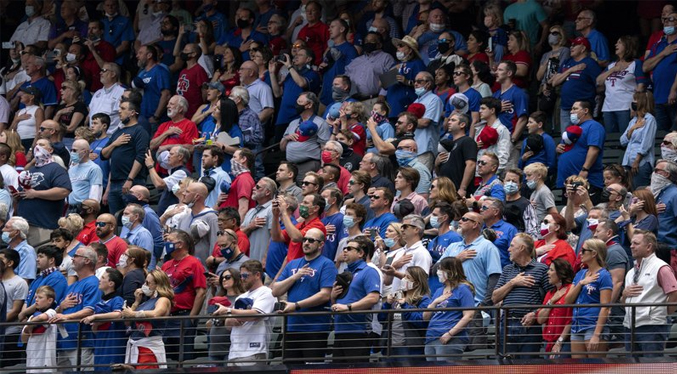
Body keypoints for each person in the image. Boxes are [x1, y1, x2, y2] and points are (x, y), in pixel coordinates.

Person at [272, 228, 337, 363]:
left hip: (314, 328)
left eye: (311, 240)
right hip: (292, 327)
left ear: (321, 244)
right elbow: (275, 291)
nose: (306, 243)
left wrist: (296, 306)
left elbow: (325, 295)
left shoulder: (327, 264)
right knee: (290, 368)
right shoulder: (293, 264)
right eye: (304, 239)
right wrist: (295, 277)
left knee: (311, 370)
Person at [438, 212, 502, 349]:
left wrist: (484, 305)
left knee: (473, 355)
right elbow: (435, 270)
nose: (459, 221)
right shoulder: (453, 247)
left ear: (475, 224)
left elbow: (495, 278)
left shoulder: (487, 247)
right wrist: (456, 260)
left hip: (474, 308)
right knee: (448, 352)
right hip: (449, 306)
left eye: (465, 219)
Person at [492, 233, 552, 358]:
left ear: (521, 248)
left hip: (529, 325)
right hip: (507, 323)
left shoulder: (541, 269)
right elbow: (494, 297)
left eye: (512, 246)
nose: (508, 249)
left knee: (528, 364)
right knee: (506, 365)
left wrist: (535, 314)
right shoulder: (508, 269)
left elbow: (552, 297)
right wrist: (513, 282)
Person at [622, 230, 677, 357]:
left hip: (651, 326)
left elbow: (674, 293)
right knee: (632, 368)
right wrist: (624, 294)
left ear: (649, 247)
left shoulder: (661, 267)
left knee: (652, 366)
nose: (631, 246)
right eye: (631, 243)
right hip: (629, 326)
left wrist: (664, 312)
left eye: (636, 243)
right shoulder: (631, 272)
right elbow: (623, 302)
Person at [214, 259, 276, 366]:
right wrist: (231, 318)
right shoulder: (241, 297)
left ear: (257, 275)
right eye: (241, 276)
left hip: (254, 351)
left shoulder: (267, 292)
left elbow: (256, 315)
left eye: (245, 276)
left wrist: (229, 310)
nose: (242, 279)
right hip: (234, 352)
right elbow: (228, 325)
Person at [330, 236, 381, 363]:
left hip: (358, 331)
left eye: (349, 249)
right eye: (344, 248)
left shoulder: (369, 271)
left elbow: (373, 298)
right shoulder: (345, 272)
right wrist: (332, 297)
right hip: (340, 331)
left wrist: (348, 307)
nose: (345, 251)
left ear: (360, 253)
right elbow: (338, 303)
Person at [49, 246, 101, 369]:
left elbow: (90, 310)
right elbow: (58, 310)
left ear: (87, 260)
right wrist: (61, 307)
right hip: (65, 341)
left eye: (76, 256)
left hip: (81, 341)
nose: (72, 258)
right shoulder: (72, 285)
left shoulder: (93, 282)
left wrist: (66, 316)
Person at [160, 230, 207, 361]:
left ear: (180, 244)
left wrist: (192, 317)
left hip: (184, 315)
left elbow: (201, 292)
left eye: (169, 240)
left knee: (184, 357)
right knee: (168, 357)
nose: (166, 243)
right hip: (167, 316)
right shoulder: (166, 265)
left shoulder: (194, 263)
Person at [14, 141, 71, 246]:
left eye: (41, 145)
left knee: (40, 258)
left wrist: (36, 194)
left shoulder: (56, 169)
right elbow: (26, 191)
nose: (37, 147)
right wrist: (19, 195)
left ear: (50, 150)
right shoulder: (31, 169)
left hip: (43, 226)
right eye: (36, 145)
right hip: (23, 225)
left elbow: (64, 190)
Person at [100, 99, 150, 215]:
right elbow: (103, 155)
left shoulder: (140, 131)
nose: (119, 111)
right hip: (114, 183)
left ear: (132, 113)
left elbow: (140, 156)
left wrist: (130, 179)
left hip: (132, 182)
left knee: (133, 217)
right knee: (115, 219)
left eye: (123, 108)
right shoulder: (117, 133)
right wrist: (114, 143)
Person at [564, 239, 612, 358]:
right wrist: (581, 284)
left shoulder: (604, 275)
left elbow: (605, 307)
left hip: (593, 326)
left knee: (595, 367)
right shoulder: (580, 274)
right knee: (579, 367)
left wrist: (596, 334)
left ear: (594, 253)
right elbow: (568, 300)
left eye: (584, 250)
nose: (580, 253)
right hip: (577, 325)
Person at [423, 257, 475, 360]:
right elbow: (425, 317)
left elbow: (469, 316)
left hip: (449, 338)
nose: (438, 272)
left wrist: (450, 334)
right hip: (431, 338)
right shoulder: (439, 291)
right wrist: (434, 302)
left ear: (451, 271)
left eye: (441, 269)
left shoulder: (463, 289)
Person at [122, 269, 174, 369]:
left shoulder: (163, 299)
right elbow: (127, 322)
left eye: (148, 283)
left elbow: (156, 314)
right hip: (135, 345)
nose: (144, 285)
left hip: (149, 348)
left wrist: (133, 314)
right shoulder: (145, 302)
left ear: (157, 285)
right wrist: (136, 302)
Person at [556, 100, 606, 201]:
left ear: (586, 110)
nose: (571, 112)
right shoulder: (572, 128)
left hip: (585, 180)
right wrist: (558, 149)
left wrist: (585, 170)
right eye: (571, 109)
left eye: (575, 109)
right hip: (568, 182)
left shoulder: (594, 126)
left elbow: (594, 149)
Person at [380, 265, 431, 361]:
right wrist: (387, 304)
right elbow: (381, 319)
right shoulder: (397, 296)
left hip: (410, 347)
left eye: (407, 277)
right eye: (404, 277)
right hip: (390, 345)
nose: (404, 279)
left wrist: (405, 305)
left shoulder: (423, 300)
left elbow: (420, 321)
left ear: (416, 283)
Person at [549, 38, 603, 129]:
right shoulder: (567, 62)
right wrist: (571, 70)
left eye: (575, 45)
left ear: (583, 48)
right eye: (571, 45)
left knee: (582, 134)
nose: (571, 47)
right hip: (566, 106)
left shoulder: (590, 63)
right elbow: (554, 82)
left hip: (582, 108)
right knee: (566, 137)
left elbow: (600, 85)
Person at [597, 36, 647, 134]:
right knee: (611, 139)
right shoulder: (611, 65)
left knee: (626, 136)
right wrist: (613, 70)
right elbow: (598, 81)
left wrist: (635, 106)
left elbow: (640, 86)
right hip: (608, 108)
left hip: (625, 107)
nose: (616, 45)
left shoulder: (635, 63)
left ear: (627, 46)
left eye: (619, 42)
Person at [79, 268, 126, 369]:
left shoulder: (117, 299)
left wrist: (95, 317)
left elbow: (117, 314)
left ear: (111, 284)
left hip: (112, 344)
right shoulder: (100, 302)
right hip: (100, 343)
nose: (99, 280)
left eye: (103, 277)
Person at [280, 92, 330, 184]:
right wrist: (286, 138)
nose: (296, 105)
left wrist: (323, 168)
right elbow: (282, 147)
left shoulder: (320, 123)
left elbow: (324, 147)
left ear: (309, 105)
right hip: (290, 166)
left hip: (308, 164)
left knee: (304, 190)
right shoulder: (293, 123)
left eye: (300, 102)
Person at [271, 49, 321, 137]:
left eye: (300, 55)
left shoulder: (313, 74)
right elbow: (277, 93)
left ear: (308, 59)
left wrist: (290, 66)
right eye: (296, 54)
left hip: (300, 117)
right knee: (279, 148)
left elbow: (301, 83)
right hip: (283, 117)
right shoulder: (290, 74)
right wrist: (272, 73)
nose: (296, 56)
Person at [644, 10, 677, 131]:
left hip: (674, 97)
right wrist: (664, 53)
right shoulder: (659, 45)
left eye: (671, 19)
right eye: (665, 19)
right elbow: (645, 67)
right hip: (658, 98)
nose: (667, 22)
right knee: (661, 138)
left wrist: (673, 90)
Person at [536, 258, 575, 355]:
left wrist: (559, 342)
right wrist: (551, 301)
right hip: (548, 342)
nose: (548, 273)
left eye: (551, 270)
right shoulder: (550, 293)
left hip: (564, 342)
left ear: (561, 272)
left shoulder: (571, 289)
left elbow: (570, 319)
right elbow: (540, 319)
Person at [19, 245, 67, 324]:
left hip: (43, 323)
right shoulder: (38, 278)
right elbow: (27, 300)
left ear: (51, 260)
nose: (37, 260)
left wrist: (23, 313)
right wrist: (23, 316)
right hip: (30, 320)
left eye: (41, 257)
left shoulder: (57, 278)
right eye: (37, 257)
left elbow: (45, 302)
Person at [206, 267, 245, 362]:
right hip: (214, 348)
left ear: (236, 278)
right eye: (222, 278)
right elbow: (208, 323)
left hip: (232, 348)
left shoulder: (243, 298)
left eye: (227, 277)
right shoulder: (218, 298)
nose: (223, 279)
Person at [620, 91, 657, 188]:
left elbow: (646, 143)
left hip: (641, 163)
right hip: (627, 161)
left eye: (635, 100)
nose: (633, 102)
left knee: (639, 190)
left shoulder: (650, 120)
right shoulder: (633, 121)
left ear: (642, 102)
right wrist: (633, 128)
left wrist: (636, 161)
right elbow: (623, 141)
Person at [0, 248, 29, 368]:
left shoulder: (20, 282)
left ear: (10, 263)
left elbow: (15, 310)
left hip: (10, 331)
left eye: (1, 259)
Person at [21, 285, 58, 373]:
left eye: (40, 297)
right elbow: (24, 338)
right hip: (31, 359)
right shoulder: (31, 317)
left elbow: (42, 317)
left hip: (45, 360)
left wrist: (30, 325)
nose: (36, 300)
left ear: (50, 300)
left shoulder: (52, 312)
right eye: (36, 297)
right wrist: (29, 327)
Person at [145, 145, 190, 216]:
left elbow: (159, 184)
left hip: (173, 216)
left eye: (171, 154)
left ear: (180, 157)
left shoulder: (182, 173)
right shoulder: (173, 171)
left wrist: (150, 166)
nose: (168, 156)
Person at [133, 45, 171, 127]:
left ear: (149, 55)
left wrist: (156, 116)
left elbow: (166, 95)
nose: (137, 56)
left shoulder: (160, 71)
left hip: (156, 120)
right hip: (143, 118)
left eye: (140, 53)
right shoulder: (142, 74)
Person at [241, 177, 276, 263]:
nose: (253, 188)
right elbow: (240, 234)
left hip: (263, 262)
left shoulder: (273, 209)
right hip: (248, 262)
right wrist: (250, 227)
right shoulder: (251, 211)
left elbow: (274, 237)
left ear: (267, 192)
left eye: (258, 187)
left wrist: (265, 258)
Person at [480, 198, 517, 268]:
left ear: (496, 212)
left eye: (484, 207)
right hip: (481, 272)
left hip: (502, 273)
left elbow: (515, 255)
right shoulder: (478, 228)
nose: (480, 210)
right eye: (481, 207)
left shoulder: (509, 229)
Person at [67, 139, 103, 207]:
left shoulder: (94, 168)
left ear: (85, 152)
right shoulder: (71, 169)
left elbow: (95, 194)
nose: (72, 153)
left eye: (75, 150)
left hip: (84, 208)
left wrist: (90, 209)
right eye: (71, 150)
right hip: (70, 207)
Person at [176, 44, 208, 118]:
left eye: (186, 50)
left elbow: (204, 90)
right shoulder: (183, 71)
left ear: (193, 54)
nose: (183, 52)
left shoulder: (199, 70)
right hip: (181, 110)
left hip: (193, 111)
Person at [2, 217, 37, 283]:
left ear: (16, 232)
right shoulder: (9, 248)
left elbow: (24, 281)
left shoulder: (27, 252)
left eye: (7, 227)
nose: (3, 230)